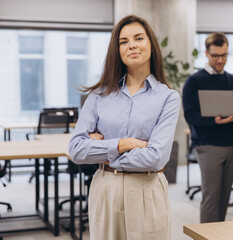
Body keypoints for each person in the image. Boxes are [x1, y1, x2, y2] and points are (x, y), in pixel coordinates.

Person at [68, 15, 181, 240]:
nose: (132, 45)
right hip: (105, 189)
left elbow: (156, 158)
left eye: (139, 38)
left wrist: (105, 153)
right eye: (123, 41)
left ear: (151, 45)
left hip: (146, 189)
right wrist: (122, 144)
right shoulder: (99, 95)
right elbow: (76, 150)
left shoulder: (168, 97)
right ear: (117, 50)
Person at [182, 32, 233, 223]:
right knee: (211, 198)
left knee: (224, 198)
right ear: (207, 54)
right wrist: (213, 121)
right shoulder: (195, 81)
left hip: (232, 146)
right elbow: (190, 115)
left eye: (224, 55)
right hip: (208, 146)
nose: (220, 60)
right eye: (215, 55)